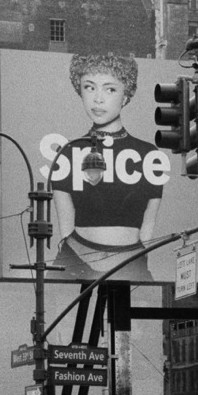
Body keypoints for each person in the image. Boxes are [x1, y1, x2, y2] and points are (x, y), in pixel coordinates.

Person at [50, 52, 166, 281]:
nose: (98, 99)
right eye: (90, 88)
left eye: (110, 89)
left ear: (126, 95)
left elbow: (148, 225)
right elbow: (65, 227)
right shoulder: (69, 151)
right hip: (76, 261)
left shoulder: (149, 155)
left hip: (131, 264)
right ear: (79, 91)